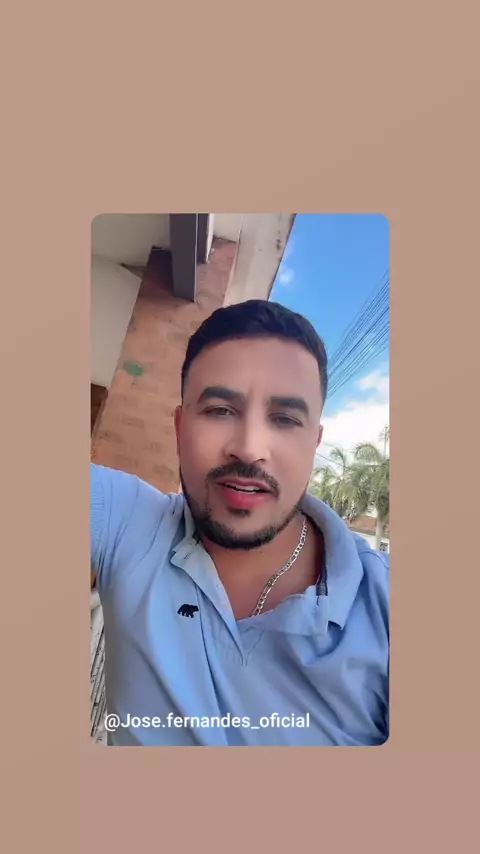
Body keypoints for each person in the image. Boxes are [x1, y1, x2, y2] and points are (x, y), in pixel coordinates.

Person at [91, 299, 389, 746]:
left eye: (284, 419)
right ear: (179, 428)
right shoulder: (129, 524)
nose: (249, 449)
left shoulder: (386, 606)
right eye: (219, 410)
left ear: (314, 442)